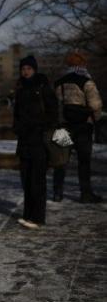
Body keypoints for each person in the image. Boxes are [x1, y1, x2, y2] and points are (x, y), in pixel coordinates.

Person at [13, 55, 58, 229]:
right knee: (26, 179)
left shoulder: (43, 86)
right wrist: (17, 127)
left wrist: (41, 125)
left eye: (28, 69)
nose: (25, 72)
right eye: (23, 69)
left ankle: (37, 217)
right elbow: (17, 112)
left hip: (39, 139)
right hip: (24, 139)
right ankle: (28, 214)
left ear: (34, 69)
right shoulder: (20, 87)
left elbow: (54, 111)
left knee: (37, 180)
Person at [52, 51, 104, 203]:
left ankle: (57, 192)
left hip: (63, 126)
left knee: (61, 160)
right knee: (84, 161)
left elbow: (55, 105)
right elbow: (96, 105)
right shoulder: (87, 81)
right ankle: (85, 194)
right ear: (82, 64)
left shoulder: (59, 82)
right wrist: (95, 119)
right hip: (83, 127)